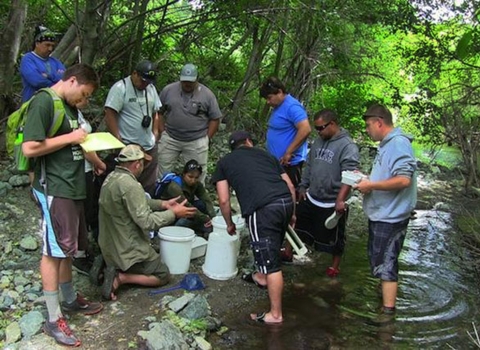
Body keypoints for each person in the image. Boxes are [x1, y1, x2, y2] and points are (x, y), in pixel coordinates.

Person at [22, 64, 103, 347]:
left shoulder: (68, 106)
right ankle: (53, 318)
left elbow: (76, 143)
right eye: (84, 93)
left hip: (73, 185)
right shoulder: (44, 102)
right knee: (53, 250)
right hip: (53, 187)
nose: (85, 100)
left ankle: (69, 299)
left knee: (67, 247)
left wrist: (97, 162)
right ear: (71, 81)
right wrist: (71, 137)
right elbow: (29, 147)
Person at [212, 131, 296, 324]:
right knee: (270, 245)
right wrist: (292, 214)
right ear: (249, 142)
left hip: (262, 208)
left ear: (232, 148)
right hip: (284, 202)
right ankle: (260, 275)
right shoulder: (266, 155)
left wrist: (229, 224)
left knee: (270, 260)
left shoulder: (225, 162)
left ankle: (275, 314)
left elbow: (224, 200)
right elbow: (290, 186)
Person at [98, 144, 197, 301]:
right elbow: (147, 222)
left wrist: (163, 204)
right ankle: (121, 277)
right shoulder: (131, 185)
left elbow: (137, 202)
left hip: (109, 244)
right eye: (143, 163)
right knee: (163, 274)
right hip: (127, 249)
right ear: (137, 164)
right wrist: (173, 213)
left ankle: (109, 265)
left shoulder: (112, 177)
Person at [355, 104, 417, 322]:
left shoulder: (398, 144)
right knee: (381, 261)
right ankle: (384, 303)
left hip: (391, 216)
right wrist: (364, 179)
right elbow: (388, 175)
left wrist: (370, 186)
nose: (367, 130)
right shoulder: (387, 145)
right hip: (383, 213)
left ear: (379, 122)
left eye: (368, 126)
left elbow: (403, 179)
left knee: (388, 262)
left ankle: (387, 315)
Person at [295, 109, 359, 277]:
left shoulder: (348, 146)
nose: (318, 132)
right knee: (301, 226)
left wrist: (340, 200)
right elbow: (309, 165)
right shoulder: (318, 141)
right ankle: (290, 252)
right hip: (312, 196)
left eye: (321, 128)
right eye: (316, 128)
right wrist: (303, 186)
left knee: (335, 238)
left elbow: (350, 176)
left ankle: (334, 267)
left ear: (332, 124)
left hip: (333, 201)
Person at [259, 77, 311, 261]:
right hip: (276, 164)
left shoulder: (292, 106)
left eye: (270, 97)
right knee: (277, 201)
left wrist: (289, 151)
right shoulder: (279, 107)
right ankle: (279, 241)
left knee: (290, 203)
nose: (268, 101)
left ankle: (289, 249)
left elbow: (305, 129)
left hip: (290, 165)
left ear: (280, 92)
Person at [157, 63, 222, 183]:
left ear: (197, 79)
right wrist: (161, 131)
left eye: (190, 81)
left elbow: (215, 118)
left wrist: (207, 138)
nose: (187, 84)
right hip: (171, 137)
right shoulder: (168, 90)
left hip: (196, 139)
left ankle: (195, 199)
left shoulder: (207, 95)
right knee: (162, 172)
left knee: (196, 175)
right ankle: (163, 196)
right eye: (184, 81)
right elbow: (159, 111)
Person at [104, 60, 161, 196]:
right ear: (134, 73)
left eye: (148, 82)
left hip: (148, 145)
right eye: (142, 80)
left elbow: (156, 112)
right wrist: (118, 140)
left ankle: (147, 210)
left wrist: (156, 133)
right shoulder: (120, 88)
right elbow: (110, 112)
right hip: (128, 146)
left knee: (148, 183)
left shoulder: (151, 89)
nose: (144, 84)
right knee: (126, 184)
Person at [157, 159, 216, 236]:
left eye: (196, 177)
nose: (193, 180)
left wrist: (213, 218)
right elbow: (186, 205)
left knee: (201, 204)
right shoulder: (174, 186)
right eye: (190, 176)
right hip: (172, 212)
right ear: (184, 174)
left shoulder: (197, 184)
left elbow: (206, 199)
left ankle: (198, 226)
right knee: (184, 221)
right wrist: (205, 219)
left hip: (185, 209)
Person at [20, 25, 66, 102]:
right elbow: (36, 81)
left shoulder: (55, 61)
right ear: (37, 44)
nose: (50, 49)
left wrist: (48, 75)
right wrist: (56, 81)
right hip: (32, 103)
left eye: (52, 46)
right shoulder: (28, 59)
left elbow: (65, 78)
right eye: (47, 45)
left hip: (54, 104)